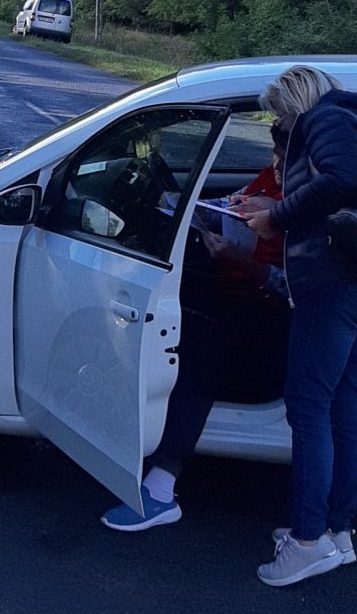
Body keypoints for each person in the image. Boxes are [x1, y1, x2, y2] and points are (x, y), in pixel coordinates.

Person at [239, 65, 357, 587]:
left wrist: (276, 216)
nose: (280, 125)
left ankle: (306, 543)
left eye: (279, 115)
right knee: (342, 408)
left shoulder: (324, 119)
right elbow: (350, 190)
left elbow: (339, 182)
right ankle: (337, 533)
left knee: (309, 410)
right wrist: (280, 204)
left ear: (295, 102)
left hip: (332, 284)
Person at [101, 125, 292, 532]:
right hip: (239, 294)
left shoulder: (307, 197)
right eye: (274, 152)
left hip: (275, 313)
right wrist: (188, 208)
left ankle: (161, 486)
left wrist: (241, 259)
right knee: (186, 321)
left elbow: (294, 283)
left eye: (284, 155)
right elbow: (228, 203)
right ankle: (147, 453)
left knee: (198, 352)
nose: (275, 164)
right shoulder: (272, 178)